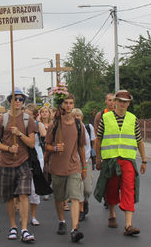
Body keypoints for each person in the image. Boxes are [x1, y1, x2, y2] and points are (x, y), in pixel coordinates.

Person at [94, 90, 147, 236]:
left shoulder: (133, 118)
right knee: (111, 188)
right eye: (120, 101)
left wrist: (144, 160)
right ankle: (112, 214)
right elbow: (98, 140)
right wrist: (98, 159)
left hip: (127, 159)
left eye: (126, 101)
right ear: (115, 102)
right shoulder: (106, 118)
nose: (123, 104)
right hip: (110, 160)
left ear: (129, 103)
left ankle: (128, 225)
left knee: (129, 188)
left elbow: (139, 140)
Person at [0, 87, 37, 243]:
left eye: (20, 99)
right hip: (5, 163)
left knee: (24, 195)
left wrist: (20, 134)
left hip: (23, 162)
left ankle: (24, 229)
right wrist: (9, 148)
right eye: (15, 99)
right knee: (10, 197)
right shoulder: (1, 120)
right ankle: (13, 226)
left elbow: (32, 143)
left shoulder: (28, 120)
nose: (18, 102)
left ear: (24, 102)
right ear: (10, 100)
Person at [45, 94, 87, 243]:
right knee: (59, 197)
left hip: (74, 166)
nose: (68, 106)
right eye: (66, 103)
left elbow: (81, 146)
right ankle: (62, 221)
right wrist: (55, 147)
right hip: (57, 167)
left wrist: (84, 167)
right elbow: (47, 145)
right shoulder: (54, 125)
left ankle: (75, 229)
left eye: (71, 103)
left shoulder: (78, 125)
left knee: (75, 197)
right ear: (61, 105)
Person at [24, 103, 46, 226]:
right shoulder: (20, 126)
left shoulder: (38, 125)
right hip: (24, 158)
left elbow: (43, 134)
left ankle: (32, 216)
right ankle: (24, 214)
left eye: (28, 115)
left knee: (34, 189)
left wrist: (38, 123)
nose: (25, 118)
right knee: (23, 189)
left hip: (37, 158)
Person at [72, 108, 95, 222]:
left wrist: (96, 158)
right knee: (78, 187)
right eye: (74, 116)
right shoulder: (71, 129)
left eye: (78, 116)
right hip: (75, 162)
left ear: (82, 117)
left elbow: (93, 142)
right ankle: (80, 210)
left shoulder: (88, 128)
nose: (77, 118)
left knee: (88, 189)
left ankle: (85, 202)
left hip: (86, 160)